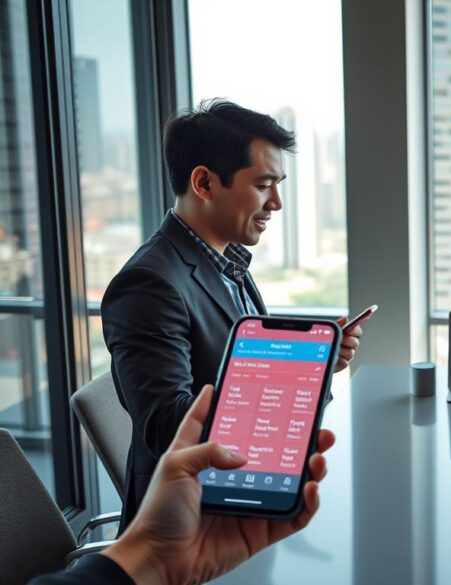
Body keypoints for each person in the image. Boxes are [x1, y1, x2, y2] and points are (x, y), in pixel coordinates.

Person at [101, 99, 362, 531]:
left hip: (247, 494)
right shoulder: (149, 285)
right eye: (263, 185)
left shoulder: (230, 265)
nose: (276, 202)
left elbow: (246, 371)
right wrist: (297, 371)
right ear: (203, 182)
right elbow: (168, 428)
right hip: (188, 523)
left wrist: (315, 362)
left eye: (278, 185)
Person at [30, 385, 334, 584]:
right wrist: (279, 395)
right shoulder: (145, 286)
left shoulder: (236, 282)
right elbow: (162, 420)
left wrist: (156, 555)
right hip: (204, 498)